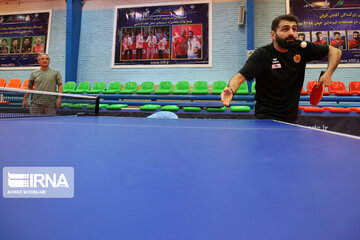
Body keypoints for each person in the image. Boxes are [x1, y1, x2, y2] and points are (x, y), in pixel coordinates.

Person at [221, 14, 341, 123]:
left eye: (294, 29)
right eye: (285, 29)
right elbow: (240, 77)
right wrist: (231, 89)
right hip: (265, 118)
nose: (291, 33)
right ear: (273, 34)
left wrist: (328, 73)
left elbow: (335, 51)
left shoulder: (301, 48)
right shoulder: (262, 55)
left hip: (291, 118)